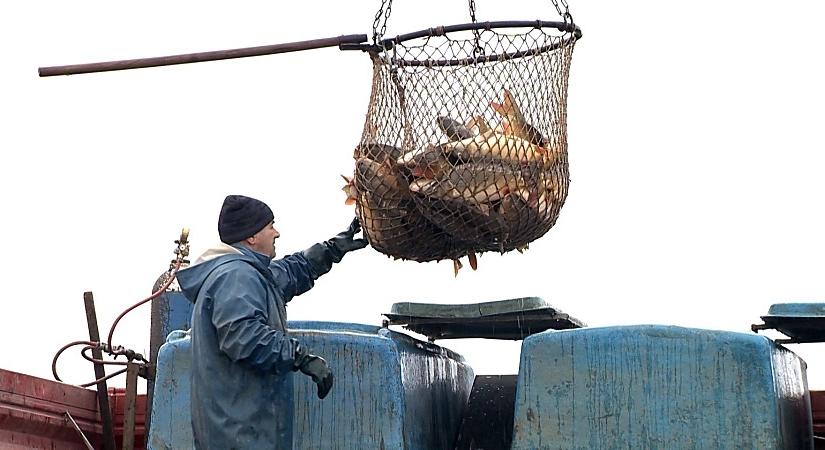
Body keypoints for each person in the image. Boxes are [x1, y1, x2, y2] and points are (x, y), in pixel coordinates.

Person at [176, 194, 369, 449]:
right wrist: (301, 357)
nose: (276, 233)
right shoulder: (236, 276)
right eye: (270, 226)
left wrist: (331, 249)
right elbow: (244, 337)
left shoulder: (246, 272)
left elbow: (288, 273)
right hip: (241, 435)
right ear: (252, 236)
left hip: (244, 432)